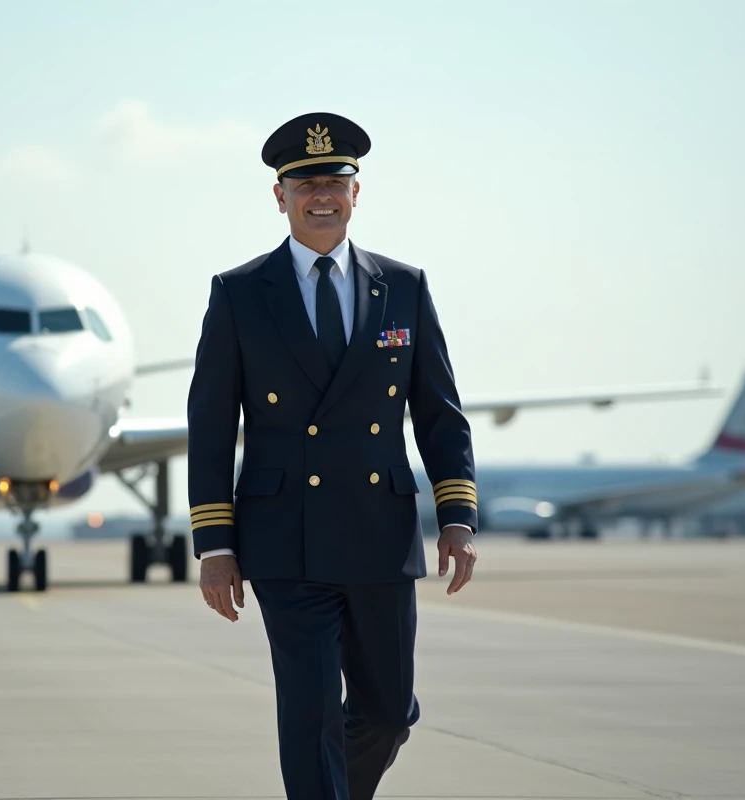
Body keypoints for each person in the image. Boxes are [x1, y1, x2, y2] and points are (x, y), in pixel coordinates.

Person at [186, 112, 479, 800]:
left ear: (358, 191)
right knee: (311, 712)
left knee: (387, 714)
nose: (323, 195)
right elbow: (208, 424)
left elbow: (440, 415)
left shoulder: (403, 286)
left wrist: (458, 519)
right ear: (279, 196)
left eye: (336, 181)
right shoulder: (238, 293)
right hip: (286, 540)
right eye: (306, 182)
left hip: (380, 535)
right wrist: (214, 544)